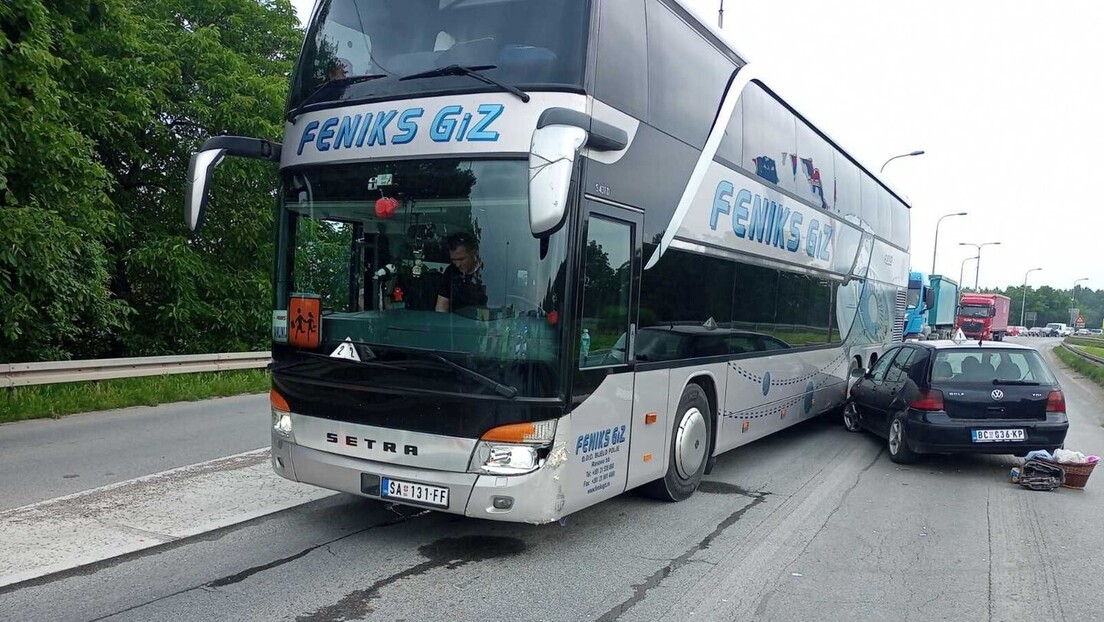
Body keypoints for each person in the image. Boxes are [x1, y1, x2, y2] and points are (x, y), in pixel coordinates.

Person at [435, 232, 487, 313]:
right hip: (454, 323)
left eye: (461, 259)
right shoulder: (450, 272)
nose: (457, 264)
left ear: (473, 253)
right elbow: (441, 307)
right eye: (453, 260)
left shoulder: (485, 273)